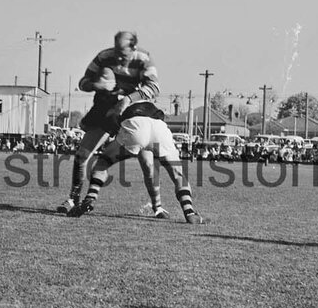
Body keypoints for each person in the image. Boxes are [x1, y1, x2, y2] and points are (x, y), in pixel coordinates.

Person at [57, 30, 160, 215]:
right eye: (117, 52)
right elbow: (83, 82)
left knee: (147, 164)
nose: (119, 58)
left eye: (124, 54)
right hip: (106, 109)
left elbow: (153, 87)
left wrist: (127, 99)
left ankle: (157, 206)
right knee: (82, 154)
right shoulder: (104, 56)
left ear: (133, 48)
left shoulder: (144, 58)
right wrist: (96, 85)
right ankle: (73, 199)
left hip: (133, 112)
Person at [71, 101, 206, 224]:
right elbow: (147, 162)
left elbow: (105, 126)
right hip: (159, 129)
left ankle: (90, 198)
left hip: (135, 127)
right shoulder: (148, 101)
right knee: (178, 175)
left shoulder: (118, 103)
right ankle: (188, 211)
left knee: (101, 165)